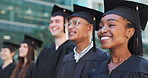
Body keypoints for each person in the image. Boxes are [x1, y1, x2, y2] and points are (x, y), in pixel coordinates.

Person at [90, 0, 148, 78]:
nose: (102, 30)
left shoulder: (143, 69)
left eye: (111, 25)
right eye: (100, 26)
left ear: (129, 32)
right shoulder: (97, 70)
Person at [57, 4, 109, 78]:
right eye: (69, 24)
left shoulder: (102, 58)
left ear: (90, 27)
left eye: (76, 23)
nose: (70, 27)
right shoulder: (66, 59)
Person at [34, 4, 75, 78]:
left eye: (57, 21)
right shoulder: (45, 52)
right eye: (51, 22)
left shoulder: (73, 51)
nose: (53, 25)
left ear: (67, 24)